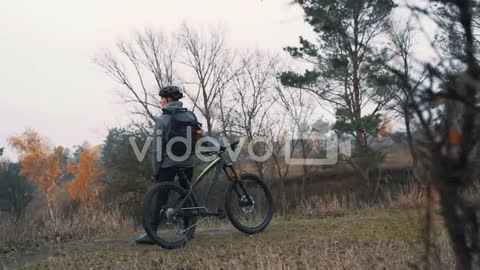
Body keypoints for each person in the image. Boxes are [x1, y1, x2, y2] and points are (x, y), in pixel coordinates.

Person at [136, 85, 198, 244]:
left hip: (169, 163)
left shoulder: (163, 119)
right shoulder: (190, 116)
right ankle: (189, 229)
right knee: (186, 193)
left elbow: (157, 149)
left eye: (162, 99)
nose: (161, 102)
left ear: (169, 99)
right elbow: (198, 137)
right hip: (188, 162)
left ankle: (152, 233)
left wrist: (156, 170)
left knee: (160, 197)